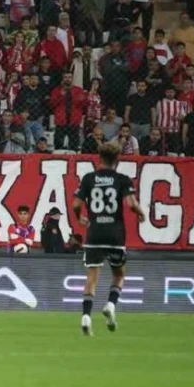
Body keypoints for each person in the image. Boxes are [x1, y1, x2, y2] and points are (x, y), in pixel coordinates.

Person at [71, 142, 146, 336]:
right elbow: (131, 203)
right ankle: (111, 305)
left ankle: (86, 317)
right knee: (119, 275)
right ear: (118, 159)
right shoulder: (122, 179)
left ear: (99, 158)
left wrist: (80, 217)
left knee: (91, 277)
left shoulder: (88, 178)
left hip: (94, 233)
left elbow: (76, 203)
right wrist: (140, 213)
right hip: (115, 235)